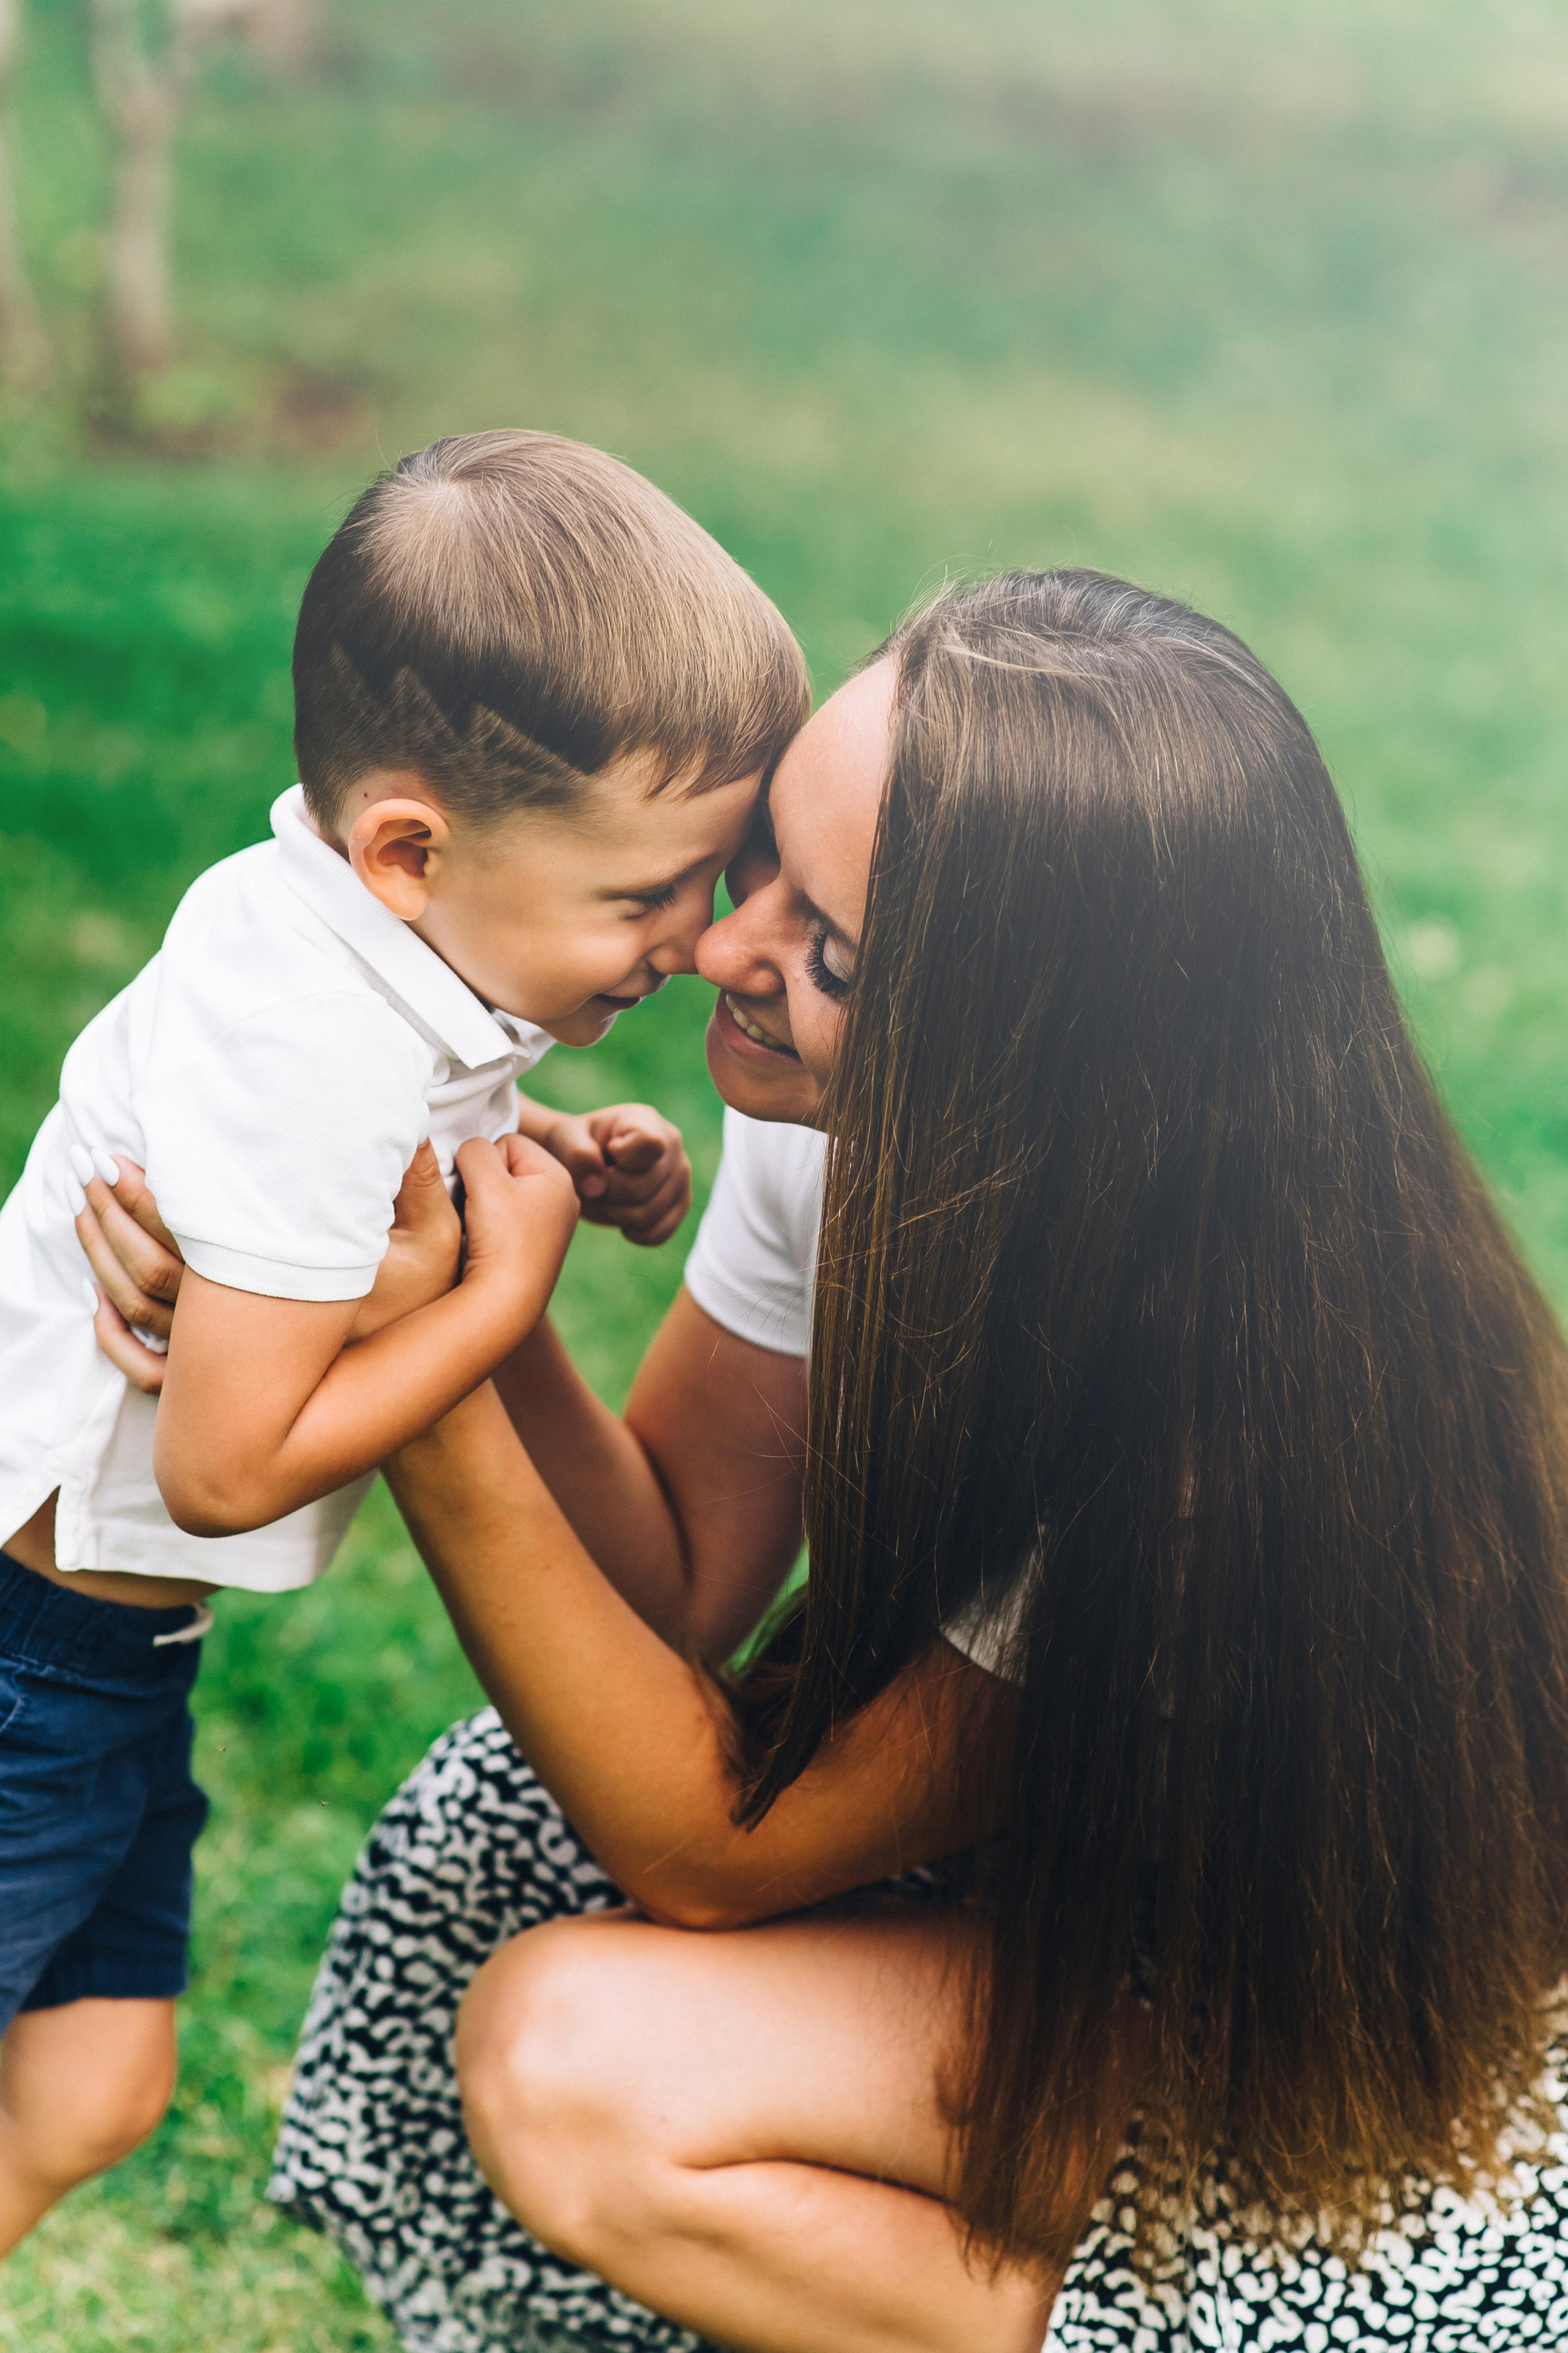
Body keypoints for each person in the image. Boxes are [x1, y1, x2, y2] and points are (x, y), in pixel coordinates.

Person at [87, 573, 1568, 2352]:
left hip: (1343, 2044)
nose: (729, 949)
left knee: (583, 2067)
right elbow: (675, 1584)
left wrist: (405, 1358)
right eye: (766, 861)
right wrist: (421, 1237)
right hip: (1059, 1906)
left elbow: (718, 1849)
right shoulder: (853, 1135)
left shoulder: (1195, 1437)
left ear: (1037, 1065)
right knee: (504, 1839)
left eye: (835, 958)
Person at [0, 427, 809, 2259]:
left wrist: (548, 1157)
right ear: (410, 848)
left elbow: (408, 1145)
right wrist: (498, 1302)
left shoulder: (383, 948)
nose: (690, 944)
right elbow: (225, 1467)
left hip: (113, 1650)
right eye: (644, 897)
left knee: (95, 2086)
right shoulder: (307, 1041)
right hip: (35, 1652)